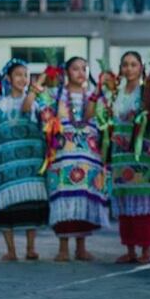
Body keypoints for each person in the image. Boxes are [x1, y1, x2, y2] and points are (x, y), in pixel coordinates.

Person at [37, 57, 109, 261]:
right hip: (63, 156)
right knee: (63, 198)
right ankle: (63, 247)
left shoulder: (94, 96)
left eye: (84, 69)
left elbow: (102, 119)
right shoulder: (55, 94)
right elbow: (41, 106)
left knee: (84, 198)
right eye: (75, 68)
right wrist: (45, 76)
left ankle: (81, 246)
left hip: (88, 156)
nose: (80, 72)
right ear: (66, 72)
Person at [0, 58, 50, 261]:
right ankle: (11, 250)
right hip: (5, 165)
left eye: (26, 75)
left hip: (30, 163)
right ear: (8, 78)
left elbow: (28, 109)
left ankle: (31, 248)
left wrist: (33, 92)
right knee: (6, 208)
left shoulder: (37, 102)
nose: (23, 78)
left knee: (31, 205)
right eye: (19, 74)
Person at [108, 52, 150, 264]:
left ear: (141, 67)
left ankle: (146, 251)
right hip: (121, 155)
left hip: (143, 155)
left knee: (145, 202)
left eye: (133, 64)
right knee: (125, 201)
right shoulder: (116, 92)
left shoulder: (145, 91)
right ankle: (130, 249)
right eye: (125, 65)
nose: (129, 69)